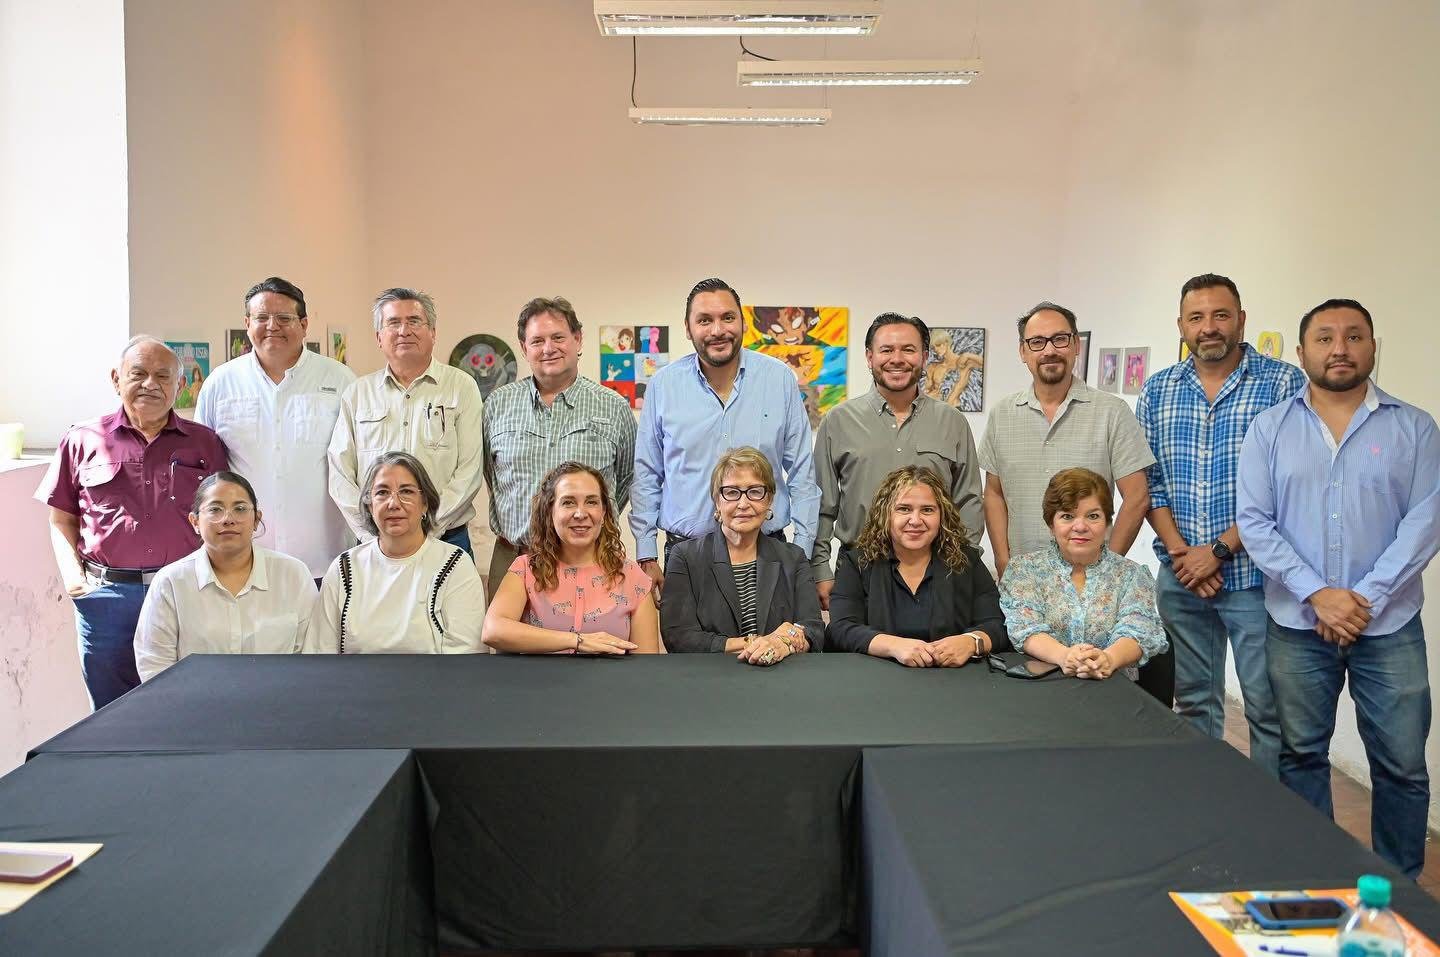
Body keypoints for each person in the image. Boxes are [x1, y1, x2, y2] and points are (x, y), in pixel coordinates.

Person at [1238, 298, 1440, 878]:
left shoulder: (1415, 428)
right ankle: (1315, 876)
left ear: (1373, 347)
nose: (1340, 349)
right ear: (1303, 353)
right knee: (1300, 755)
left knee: (1402, 766)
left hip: (1389, 625)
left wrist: (1362, 599)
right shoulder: (1270, 428)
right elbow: (1254, 522)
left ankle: (1399, 888)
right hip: (1298, 624)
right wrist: (1317, 594)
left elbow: (1425, 522)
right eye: (1324, 338)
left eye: (1354, 336)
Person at [1137, 274, 1305, 772]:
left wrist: (1218, 551)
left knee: (1267, 709)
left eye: (1220, 315)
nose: (1208, 327)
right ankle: (1205, 802)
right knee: (1193, 704)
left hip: (1256, 578)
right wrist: (1184, 556)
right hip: (1181, 580)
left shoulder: (1283, 384)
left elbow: (1289, 486)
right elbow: (1149, 483)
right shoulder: (1158, 389)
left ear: (1241, 319)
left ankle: (1267, 811)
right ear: (1181, 325)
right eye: (1197, 317)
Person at [36, 336, 227, 708]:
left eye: (162, 376)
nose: (150, 384)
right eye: (138, 373)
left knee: (187, 704)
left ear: (180, 385)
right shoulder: (82, 439)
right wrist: (75, 582)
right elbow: (61, 518)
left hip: (183, 592)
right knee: (110, 711)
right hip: (106, 598)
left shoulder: (205, 443)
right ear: (116, 379)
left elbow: (221, 516)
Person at [631, 278, 820, 603]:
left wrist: (801, 553)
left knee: (773, 638)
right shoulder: (663, 385)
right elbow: (647, 475)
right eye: (705, 320)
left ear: (743, 322)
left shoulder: (778, 379)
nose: (718, 330)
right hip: (686, 554)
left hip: (767, 551)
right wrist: (646, 553)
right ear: (688, 328)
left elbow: (803, 474)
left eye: (727, 318)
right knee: (687, 637)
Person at [813, 313, 982, 610]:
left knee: (940, 642)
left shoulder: (952, 422)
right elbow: (822, 504)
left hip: (936, 572)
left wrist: (963, 565)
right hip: (858, 569)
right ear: (869, 357)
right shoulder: (838, 421)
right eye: (887, 350)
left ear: (925, 357)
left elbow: (968, 499)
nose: (897, 359)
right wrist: (819, 568)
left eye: (908, 349)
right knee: (854, 641)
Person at [978, 302, 1155, 579]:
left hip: (1090, 580)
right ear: (1023, 351)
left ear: (1076, 345)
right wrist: (1002, 561)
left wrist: (1107, 569)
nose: (1049, 350)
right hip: (1022, 579)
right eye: (1037, 342)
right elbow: (994, 494)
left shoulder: (1112, 412)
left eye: (1059, 339)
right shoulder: (1002, 415)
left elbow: (1137, 496)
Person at [196, 277, 356, 581]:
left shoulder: (340, 380)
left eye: (284, 318)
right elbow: (204, 470)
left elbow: (357, 463)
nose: (272, 326)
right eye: (262, 318)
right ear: (247, 323)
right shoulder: (221, 383)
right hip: (243, 560)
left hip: (324, 560)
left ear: (304, 324)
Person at [482, 296, 636, 597]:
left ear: (578, 339)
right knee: (505, 629)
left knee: (594, 630)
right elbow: (492, 477)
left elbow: (626, 480)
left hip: (590, 559)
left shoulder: (613, 406)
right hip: (515, 556)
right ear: (524, 347)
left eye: (558, 337)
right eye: (537, 341)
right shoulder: (497, 404)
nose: (548, 348)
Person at [329, 287, 484, 558]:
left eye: (414, 321)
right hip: (374, 541)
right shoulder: (358, 393)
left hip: (446, 537)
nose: (404, 331)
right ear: (379, 337)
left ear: (433, 332)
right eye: (393, 323)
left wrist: (426, 528)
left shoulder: (461, 387)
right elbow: (340, 472)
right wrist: (370, 532)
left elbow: (469, 470)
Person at [133, 471, 315, 680]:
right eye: (215, 509)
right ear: (194, 521)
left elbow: (311, 655)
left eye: (240, 509)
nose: (228, 519)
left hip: (280, 697)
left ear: (256, 519)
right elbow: (154, 666)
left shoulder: (293, 575)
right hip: (194, 699)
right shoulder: (171, 582)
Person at [308, 452, 485, 654]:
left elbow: (466, 657)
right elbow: (320, 653)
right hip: (355, 676)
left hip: (434, 676)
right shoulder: (344, 569)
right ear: (369, 505)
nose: (394, 504)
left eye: (406, 492)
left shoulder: (455, 565)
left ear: (425, 503)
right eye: (382, 492)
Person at [828, 466, 1007, 665]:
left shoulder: (966, 561)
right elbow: (840, 629)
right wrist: (893, 645)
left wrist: (972, 642)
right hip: (878, 677)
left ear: (942, 515)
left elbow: (997, 624)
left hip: (952, 677)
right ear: (884, 514)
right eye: (904, 509)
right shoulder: (857, 563)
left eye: (927, 510)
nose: (915, 520)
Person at [1000, 468, 1167, 680]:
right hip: (1042, 685)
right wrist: (1064, 657)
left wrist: (1107, 659)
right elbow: (1026, 628)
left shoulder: (1132, 575)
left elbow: (1138, 629)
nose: (1080, 526)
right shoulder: (1023, 570)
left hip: (1112, 685)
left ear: (1107, 523)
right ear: (1051, 524)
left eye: (1093, 516)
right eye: (1067, 516)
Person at [663, 447, 824, 663]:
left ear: (769, 500)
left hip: (780, 676)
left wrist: (784, 643)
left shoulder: (793, 558)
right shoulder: (685, 557)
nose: (743, 503)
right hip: (711, 676)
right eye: (731, 492)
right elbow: (678, 637)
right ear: (717, 501)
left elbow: (813, 629)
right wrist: (762, 643)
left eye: (755, 491)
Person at [482, 462, 659, 655]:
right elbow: (493, 630)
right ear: (550, 511)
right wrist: (577, 641)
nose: (580, 514)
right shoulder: (526, 569)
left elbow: (646, 664)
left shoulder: (633, 577)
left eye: (591, 502)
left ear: (604, 512)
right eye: (568, 502)